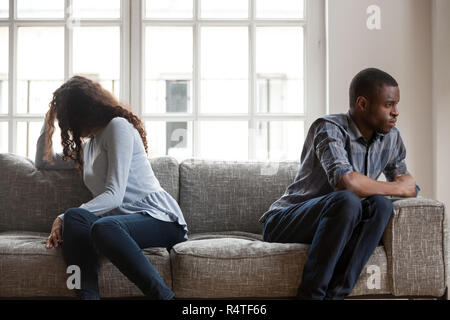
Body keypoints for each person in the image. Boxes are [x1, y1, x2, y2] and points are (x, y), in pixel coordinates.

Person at [259, 68, 419, 300]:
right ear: (363, 104)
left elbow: (410, 186)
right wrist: (396, 188)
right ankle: (310, 296)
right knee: (348, 200)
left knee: (381, 206)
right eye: (389, 105)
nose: (396, 113)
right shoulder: (328, 128)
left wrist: (393, 188)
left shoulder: (391, 137)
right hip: (285, 221)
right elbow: (346, 182)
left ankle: (336, 296)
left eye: (396, 105)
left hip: (341, 220)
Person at [35, 76, 188, 300]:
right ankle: (88, 296)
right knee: (76, 217)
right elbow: (42, 161)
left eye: (67, 119)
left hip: (160, 220)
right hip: (115, 226)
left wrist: (60, 218)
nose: (67, 126)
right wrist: (48, 120)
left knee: (98, 225)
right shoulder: (88, 147)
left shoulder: (117, 127)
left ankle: (164, 297)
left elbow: (114, 195)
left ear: (83, 112)